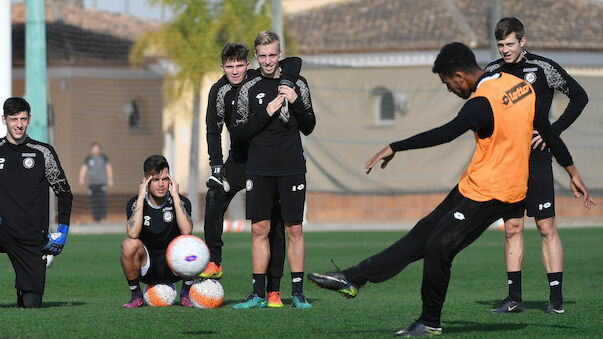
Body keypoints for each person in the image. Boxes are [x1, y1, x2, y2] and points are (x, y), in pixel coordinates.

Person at [308, 42, 594, 337]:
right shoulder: (519, 87)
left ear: (459, 76)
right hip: (475, 184)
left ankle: (429, 322)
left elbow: (445, 133)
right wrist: (572, 172)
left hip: (494, 193)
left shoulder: (481, 104)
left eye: (447, 84)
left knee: (437, 248)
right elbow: (546, 131)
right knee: (422, 233)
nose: (449, 90)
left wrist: (395, 146)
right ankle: (353, 278)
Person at [484, 17, 590, 315]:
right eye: (501, 45)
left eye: (510, 44)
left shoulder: (543, 68)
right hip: (507, 162)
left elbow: (580, 96)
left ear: (522, 41)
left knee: (545, 227)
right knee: (512, 228)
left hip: (537, 160)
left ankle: (555, 300)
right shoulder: (492, 73)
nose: (505, 50)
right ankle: (514, 299)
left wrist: (551, 132)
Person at [230, 30, 316, 309]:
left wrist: (295, 100)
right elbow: (238, 134)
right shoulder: (248, 87)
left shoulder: (298, 84)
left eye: (273, 55)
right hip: (258, 167)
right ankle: (257, 294)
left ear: (280, 53)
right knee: (259, 229)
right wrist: (266, 113)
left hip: (292, 167)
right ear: (256, 56)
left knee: (294, 230)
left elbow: (310, 126)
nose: (268, 61)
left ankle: (299, 294)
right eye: (263, 56)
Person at [202, 42, 291, 308]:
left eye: (240, 65)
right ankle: (214, 261)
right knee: (214, 196)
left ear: (248, 64)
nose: (235, 70)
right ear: (222, 67)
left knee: (273, 223)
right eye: (230, 66)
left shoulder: (258, 79)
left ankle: (274, 290)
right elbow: (212, 129)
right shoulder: (218, 91)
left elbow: (293, 64)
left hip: (265, 160)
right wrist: (217, 165)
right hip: (239, 162)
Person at [0, 97, 73, 308]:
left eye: (23, 119)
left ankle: (24, 287)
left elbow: (64, 192)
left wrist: (63, 230)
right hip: (2, 228)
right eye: (14, 119)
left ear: (29, 119)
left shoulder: (43, 153)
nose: (19, 124)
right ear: (4, 120)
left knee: (31, 304)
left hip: (30, 235)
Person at [120, 155, 194, 308]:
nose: (161, 184)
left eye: (165, 179)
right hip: (146, 267)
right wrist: (141, 199)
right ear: (146, 182)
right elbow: (133, 234)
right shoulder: (134, 203)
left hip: (174, 266)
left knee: (192, 241)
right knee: (129, 244)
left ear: (171, 180)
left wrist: (175, 197)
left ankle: (186, 293)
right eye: (155, 180)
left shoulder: (181, 201)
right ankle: (136, 295)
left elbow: (187, 231)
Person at [78, 142, 114, 222]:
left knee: (102, 200)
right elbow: (84, 168)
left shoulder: (104, 158)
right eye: (93, 149)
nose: (95, 150)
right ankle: (96, 218)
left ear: (99, 149)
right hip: (92, 184)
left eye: (96, 148)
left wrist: (110, 179)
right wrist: (81, 178)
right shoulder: (88, 158)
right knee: (93, 201)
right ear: (91, 149)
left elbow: (108, 168)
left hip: (102, 183)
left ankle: (103, 217)